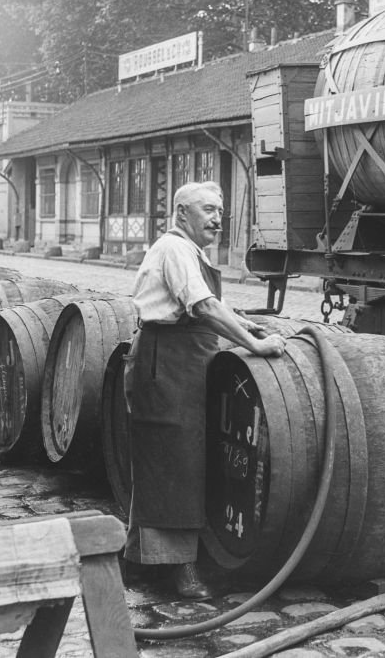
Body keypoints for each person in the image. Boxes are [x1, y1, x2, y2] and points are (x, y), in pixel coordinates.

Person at [123, 181, 286, 599]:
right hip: (168, 361)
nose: (217, 218)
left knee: (168, 459)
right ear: (181, 214)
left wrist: (246, 323)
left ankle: (139, 561)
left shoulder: (188, 251)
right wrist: (255, 345)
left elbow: (213, 304)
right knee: (175, 462)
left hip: (182, 360)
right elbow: (203, 306)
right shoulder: (174, 248)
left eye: (220, 210)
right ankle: (179, 569)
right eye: (208, 210)